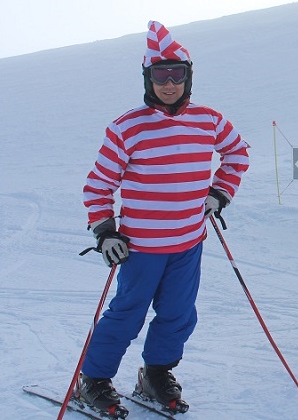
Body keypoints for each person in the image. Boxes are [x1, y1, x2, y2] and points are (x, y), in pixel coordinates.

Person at [79, 21, 250, 415]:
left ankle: (155, 373)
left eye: (177, 74)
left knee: (177, 314)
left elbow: (238, 153)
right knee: (127, 314)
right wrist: (106, 231)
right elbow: (98, 185)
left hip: (188, 242)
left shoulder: (209, 121)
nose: (169, 83)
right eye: (161, 75)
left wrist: (218, 193)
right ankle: (95, 379)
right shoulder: (127, 127)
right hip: (140, 246)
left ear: (188, 77)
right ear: (148, 78)